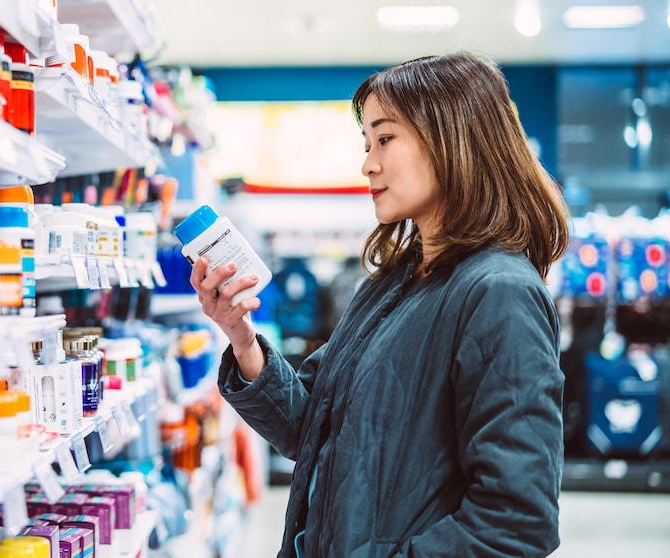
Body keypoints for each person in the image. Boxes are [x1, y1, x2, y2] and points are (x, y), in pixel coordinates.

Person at [189, 51, 569, 557]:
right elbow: (311, 430)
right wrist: (242, 340)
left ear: (452, 138)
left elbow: (517, 521)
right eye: (367, 143)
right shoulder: (392, 283)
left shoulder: (499, 293)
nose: (368, 163)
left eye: (385, 139)